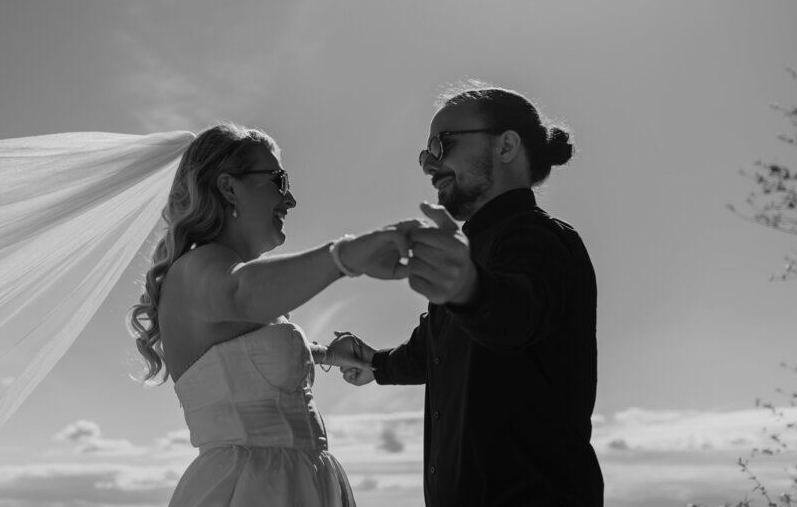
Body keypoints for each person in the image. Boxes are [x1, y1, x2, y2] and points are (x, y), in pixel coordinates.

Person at [329, 84, 604, 506]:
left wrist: (467, 289)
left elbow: (513, 315)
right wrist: (374, 363)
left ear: (506, 145)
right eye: (425, 154)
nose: (430, 166)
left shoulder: (541, 239)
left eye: (441, 145)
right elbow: (431, 351)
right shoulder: (470, 257)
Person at [128, 122, 416, 507]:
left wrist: (330, 354)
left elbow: (246, 353)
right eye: (278, 181)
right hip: (248, 490)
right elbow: (242, 294)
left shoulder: (214, 272)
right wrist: (347, 256)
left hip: (294, 486)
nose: (291, 199)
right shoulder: (200, 266)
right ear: (229, 187)